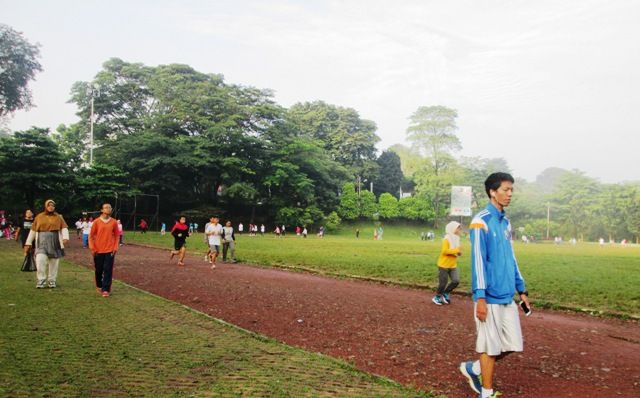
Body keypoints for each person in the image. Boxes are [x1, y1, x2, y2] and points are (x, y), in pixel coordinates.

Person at [460, 172, 530, 398]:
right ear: (492, 191)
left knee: (512, 344)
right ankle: (486, 393)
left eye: (511, 190)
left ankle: (475, 368)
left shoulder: (506, 222)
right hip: (488, 297)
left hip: (507, 294)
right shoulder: (480, 221)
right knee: (490, 347)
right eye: (505, 190)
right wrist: (480, 297)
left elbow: (512, 257)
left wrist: (522, 289)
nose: (510, 194)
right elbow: (478, 261)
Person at [23, 199, 69, 288]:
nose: (51, 207)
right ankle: (41, 280)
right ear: (46, 206)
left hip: (55, 242)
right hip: (41, 242)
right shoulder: (39, 217)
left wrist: (65, 237)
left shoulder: (58, 217)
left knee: (54, 262)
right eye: (49, 205)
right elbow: (33, 230)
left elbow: (64, 228)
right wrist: (28, 242)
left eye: (53, 206)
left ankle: (52, 280)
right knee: (40, 260)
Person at [89, 203, 119, 297]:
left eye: (110, 207)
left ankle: (106, 289)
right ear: (102, 210)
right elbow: (91, 236)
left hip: (110, 249)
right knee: (99, 270)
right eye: (106, 207)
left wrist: (115, 247)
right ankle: (99, 284)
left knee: (108, 269)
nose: (109, 209)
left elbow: (117, 235)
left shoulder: (114, 222)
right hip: (98, 250)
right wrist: (92, 248)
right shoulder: (97, 222)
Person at [432, 221, 462, 305]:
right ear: (453, 228)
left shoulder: (457, 238)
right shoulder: (447, 239)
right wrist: (457, 250)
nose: (460, 229)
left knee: (456, 281)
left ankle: (445, 293)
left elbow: (457, 251)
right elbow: (445, 251)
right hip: (443, 265)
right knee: (443, 283)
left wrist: (459, 253)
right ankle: (437, 297)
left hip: (453, 265)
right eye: (458, 227)